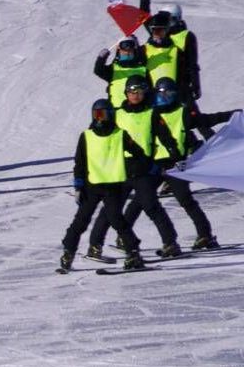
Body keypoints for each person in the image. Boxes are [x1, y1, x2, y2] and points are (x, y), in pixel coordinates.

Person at [88, 74, 181, 260]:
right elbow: (98, 132)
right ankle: (95, 246)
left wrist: (174, 156)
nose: (135, 95)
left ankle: (170, 243)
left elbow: (166, 138)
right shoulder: (117, 113)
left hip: (143, 168)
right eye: (131, 91)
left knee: (151, 205)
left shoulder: (151, 113)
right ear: (126, 93)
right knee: (110, 210)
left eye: (139, 91)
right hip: (119, 168)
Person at [59, 99, 149, 273]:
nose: (99, 118)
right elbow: (80, 162)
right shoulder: (86, 136)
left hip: (113, 187)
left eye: (103, 114)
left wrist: (134, 170)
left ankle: (133, 252)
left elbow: (138, 154)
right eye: (96, 114)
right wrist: (78, 185)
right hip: (91, 186)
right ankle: (68, 252)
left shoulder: (120, 134)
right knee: (80, 221)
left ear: (110, 115)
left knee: (117, 220)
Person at [141, 78, 221, 251]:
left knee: (185, 200)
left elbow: (205, 122)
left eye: (168, 94)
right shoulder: (150, 113)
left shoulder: (182, 112)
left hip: (176, 164)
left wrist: (233, 114)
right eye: (161, 94)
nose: (164, 97)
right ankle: (125, 239)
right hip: (154, 164)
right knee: (140, 201)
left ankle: (205, 235)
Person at [138, 0, 202, 104]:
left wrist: (195, 85)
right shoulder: (157, 31)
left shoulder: (186, 36)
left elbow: (192, 64)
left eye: (168, 20)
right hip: (155, 82)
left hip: (179, 84)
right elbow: (143, 14)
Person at [93, 37, 148, 105]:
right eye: (124, 50)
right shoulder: (113, 69)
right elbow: (98, 70)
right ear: (119, 50)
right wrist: (101, 59)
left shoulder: (143, 68)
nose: (127, 52)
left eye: (130, 50)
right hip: (117, 110)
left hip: (138, 109)